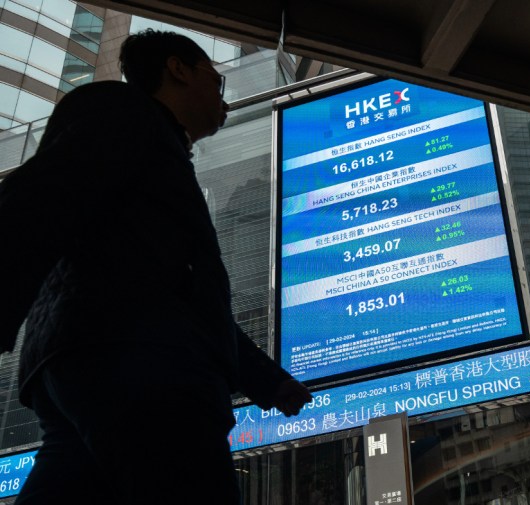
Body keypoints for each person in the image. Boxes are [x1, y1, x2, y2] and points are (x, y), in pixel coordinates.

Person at [0, 29, 312, 504]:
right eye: (217, 80)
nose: (222, 97)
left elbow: (177, 290)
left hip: (86, 364)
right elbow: (38, 198)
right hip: (139, 362)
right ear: (178, 70)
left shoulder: (147, 144)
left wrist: (266, 379)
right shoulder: (125, 118)